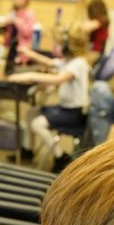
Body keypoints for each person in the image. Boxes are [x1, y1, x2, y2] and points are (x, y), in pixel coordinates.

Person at [11, 22, 91, 172]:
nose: (55, 48)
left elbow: (58, 79)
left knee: (37, 124)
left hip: (74, 113)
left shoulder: (78, 64)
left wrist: (29, 75)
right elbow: (50, 62)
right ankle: (27, 150)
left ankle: (60, 157)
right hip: (65, 109)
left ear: (68, 47)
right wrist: (29, 53)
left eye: (58, 45)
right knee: (30, 114)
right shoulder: (69, 61)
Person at [5, 0, 36, 64]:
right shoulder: (13, 12)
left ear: (26, 0)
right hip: (11, 47)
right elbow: (8, 33)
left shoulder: (29, 14)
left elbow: (27, 32)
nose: (17, 0)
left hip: (23, 49)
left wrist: (16, 21)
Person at [83, 0, 110, 64]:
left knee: (77, 62)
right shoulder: (103, 20)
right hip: (96, 52)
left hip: (94, 53)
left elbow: (83, 28)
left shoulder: (98, 22)